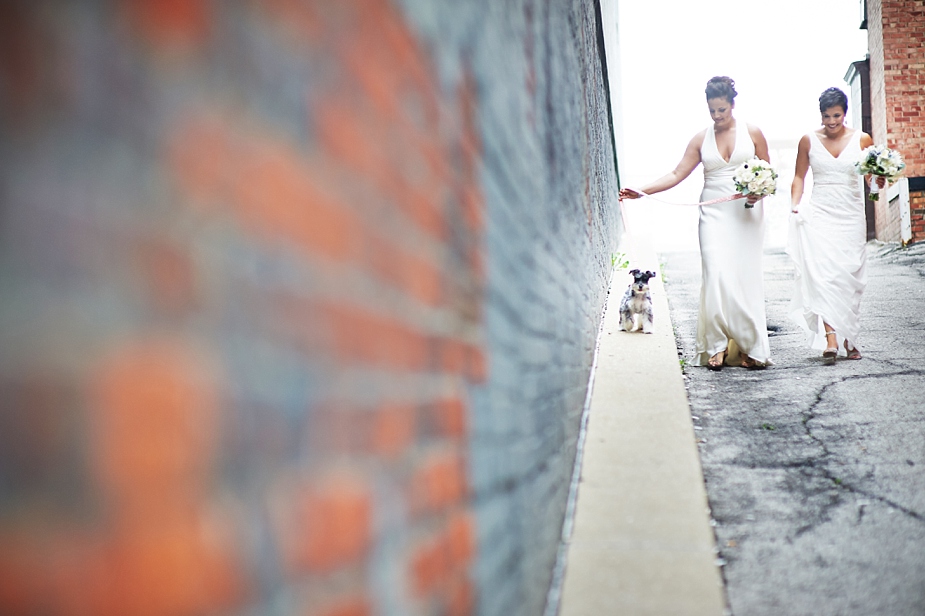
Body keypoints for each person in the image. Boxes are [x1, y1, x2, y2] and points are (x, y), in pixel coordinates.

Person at [619, 76, 772, 370]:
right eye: (712, 111)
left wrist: (758, 191)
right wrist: (642, 191)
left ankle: (749, 346)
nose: (716, 116)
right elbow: (677, 173)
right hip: (712, 214)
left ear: (732, 105)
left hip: (746, 213)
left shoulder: (752, 132)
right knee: (715, 273)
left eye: (722, 110)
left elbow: (768, 171)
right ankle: (715, 346)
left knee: (743, 278)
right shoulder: (701, 139)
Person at [787, 87, 883, 363]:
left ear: (845, 113)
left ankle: (849, 336)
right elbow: (798, 177)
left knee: (848, 277)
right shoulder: (808, 141)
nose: (831, 122)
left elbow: (871, 180)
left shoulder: (862, 139)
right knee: (825, 275)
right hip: (820, 214)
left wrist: (878, 180)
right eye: (826, 116)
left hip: (851, 215)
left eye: (836, 116)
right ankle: (830, 337)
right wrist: (795, 204)